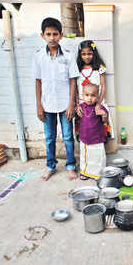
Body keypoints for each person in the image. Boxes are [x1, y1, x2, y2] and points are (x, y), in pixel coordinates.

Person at [33, 17, 80, 181]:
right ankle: (50, 166)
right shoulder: (39, 56)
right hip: (47, 105)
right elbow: (38, 82)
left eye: (55, 34)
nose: (52, 37)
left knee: (67, 137)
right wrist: (39, 105)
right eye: (48, 34)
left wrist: (71, 104)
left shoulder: (68, 56)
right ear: (42, 36)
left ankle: (71, 166)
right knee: (49, 138)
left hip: (64, 104)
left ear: (61, 35)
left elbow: (73, 80)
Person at [76, 40, 114, 141]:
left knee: (98, 127)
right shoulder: (77, 69)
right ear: (80, 55)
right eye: (83, 54)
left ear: (94, 53)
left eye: (89, 54)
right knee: (86, 128)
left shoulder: (99, 68)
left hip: (97, 102)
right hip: (82, 103)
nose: (86, 56)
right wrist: (77, 104)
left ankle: (100, 147)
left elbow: (103, 86)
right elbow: (75, 89)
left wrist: (98, 104)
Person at [76, 83, 108, 180]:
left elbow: (105, 121)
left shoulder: (100, 108)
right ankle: (85, 173)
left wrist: (104, 115)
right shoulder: (81, 107)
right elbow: (76, 119)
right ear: (82, 95)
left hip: (97, 138)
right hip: (85, 138)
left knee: (98, 157)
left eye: (93, 95)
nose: (90, 98)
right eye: (87, 95)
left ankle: (98, 174)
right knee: (86, 157)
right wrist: (76, 109)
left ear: (97, 96)